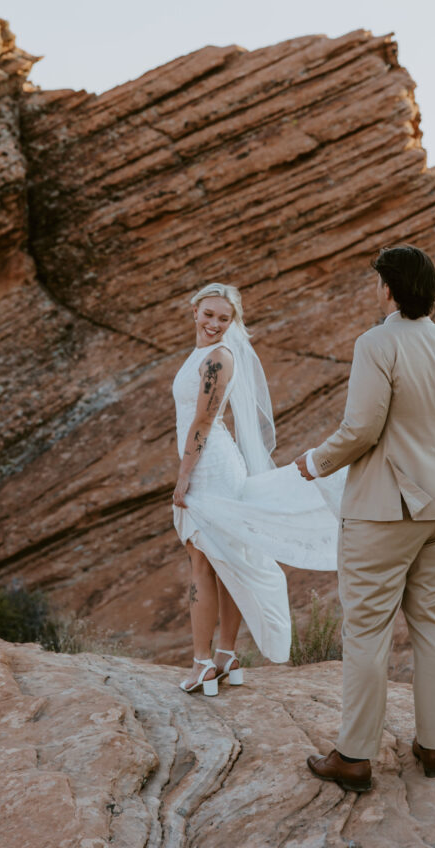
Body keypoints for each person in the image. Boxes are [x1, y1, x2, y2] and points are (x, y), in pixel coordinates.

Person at [296, 245, 435, 793]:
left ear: (388, 288)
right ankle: (433, 746)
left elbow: (361, 428)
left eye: (377, 282)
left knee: (366, 631)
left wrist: (315, 461)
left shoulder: (376, 342)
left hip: (390, 508)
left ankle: (354, 757)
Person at [172, 282, 341, 695]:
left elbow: (204, 422)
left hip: (210, 469)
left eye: (223, 318)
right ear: (194, 311)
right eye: (208, 314)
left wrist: (183, 474)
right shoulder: (202, 355)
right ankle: (225, 658)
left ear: (233, 322)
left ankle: (203, 663)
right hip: (212, 462)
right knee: (227, 561)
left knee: (204, 563)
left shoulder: (218, 358)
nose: (214, 323)